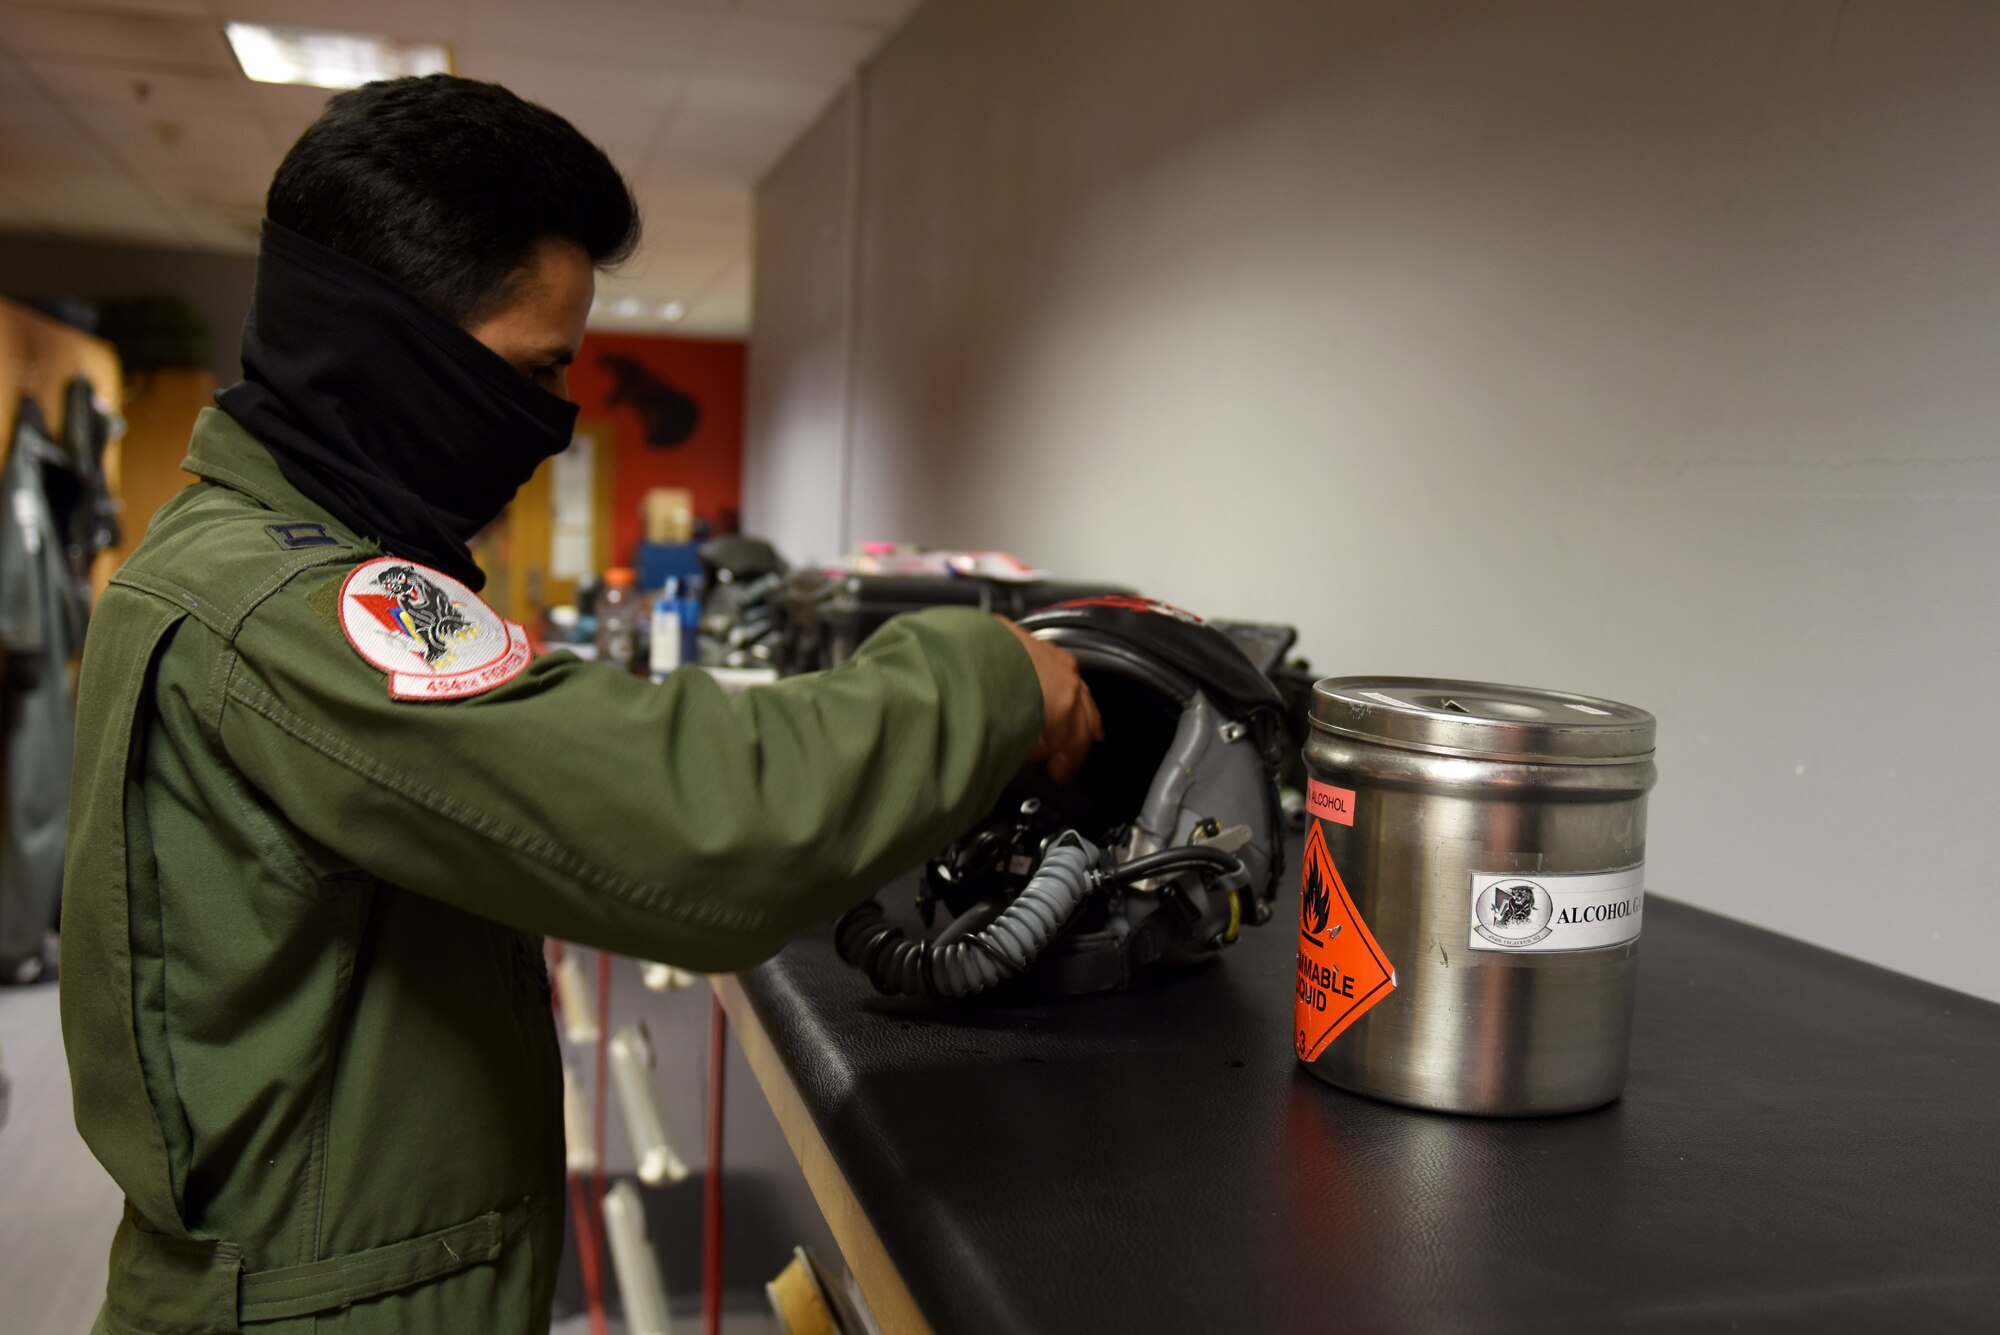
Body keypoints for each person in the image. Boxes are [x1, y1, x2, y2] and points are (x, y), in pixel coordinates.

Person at [62, 75, 1100, 1335]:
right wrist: (991, 674)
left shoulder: (248, 553)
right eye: (531, 372)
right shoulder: (284, 602)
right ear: (396, 350)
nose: (545, 427)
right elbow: (691, 822)